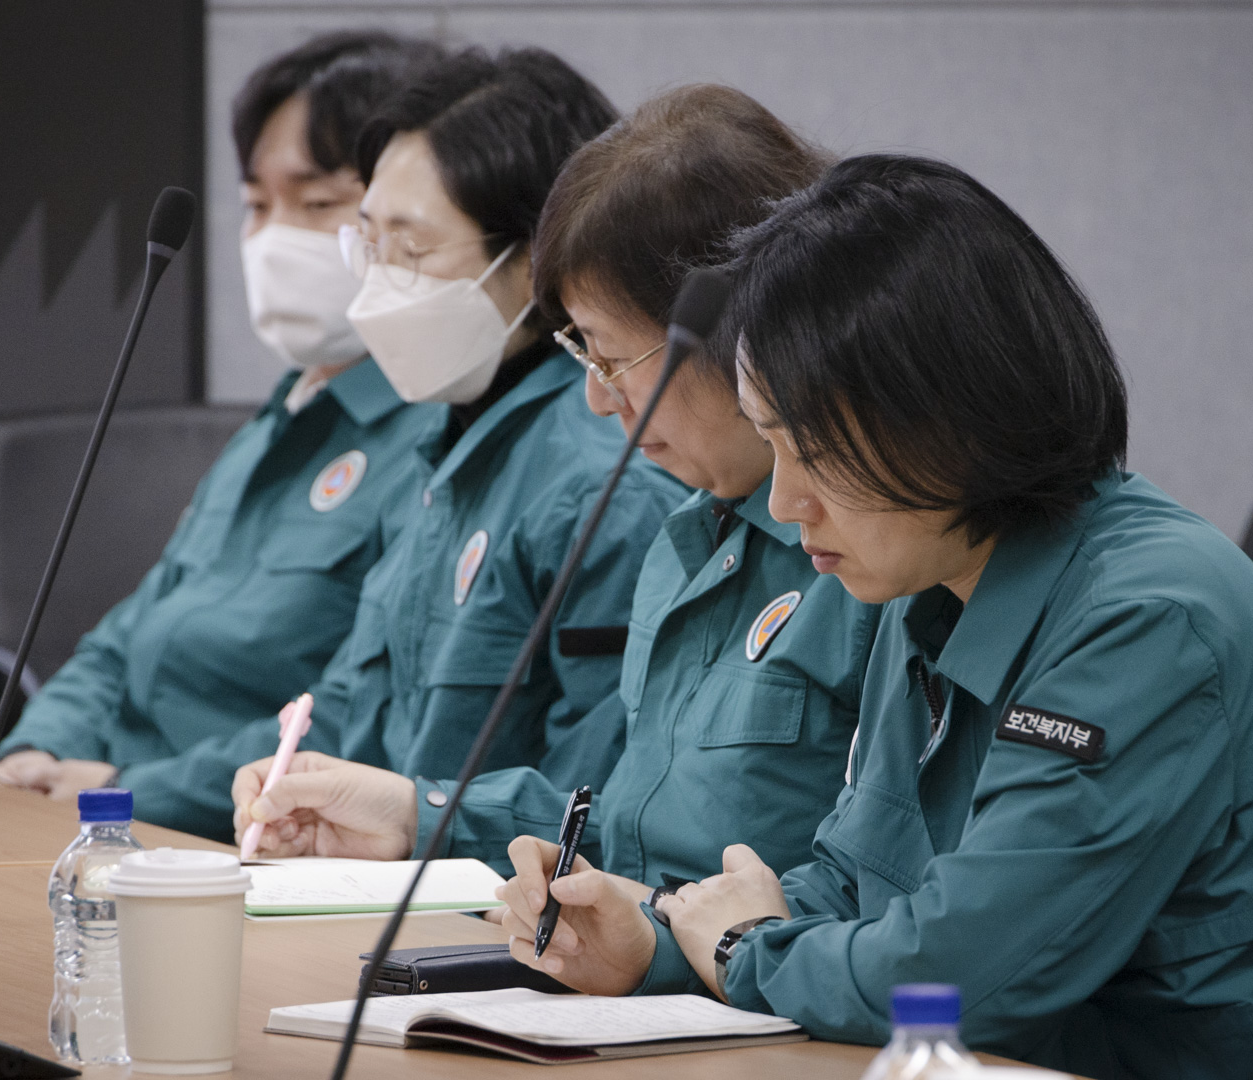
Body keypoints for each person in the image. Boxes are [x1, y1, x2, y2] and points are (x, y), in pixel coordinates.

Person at [494, 156, 1253, 1077]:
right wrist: (656, 941)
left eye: (811, 449)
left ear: (947, 416)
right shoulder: (932, 577)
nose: (784, 501)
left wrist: (744, 952)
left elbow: (964, 977)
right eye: (771, 444)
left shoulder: (1150, 617)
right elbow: (858, 879)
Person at [232, 86, 882, 886]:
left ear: (739, 334)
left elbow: (867, 893)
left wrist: (683, 949)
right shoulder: (686, 536)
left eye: (613, 359)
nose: (598, 398)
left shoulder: (878, 554)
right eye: (584, 359)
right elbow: (629, 835)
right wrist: (414, 812)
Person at [88, 46, 687, 839]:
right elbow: (353, 701)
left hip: (479, 929)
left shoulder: (598, 481)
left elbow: (595, 810)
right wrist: (297, 787)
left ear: (539, 256)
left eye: (410, 251)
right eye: (368, 245)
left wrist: (407, 825)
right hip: (367, 887)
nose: (379, 286)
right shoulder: (447, 440)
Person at [0, 32, 444, 806]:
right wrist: (39, 747)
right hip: (103, 814)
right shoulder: (276, 418)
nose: (273, 237)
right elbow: (128, 632)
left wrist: (129, 788)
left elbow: (356, 716)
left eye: (317, 203)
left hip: (232, 833)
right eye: (256, 205)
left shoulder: (433, 435)